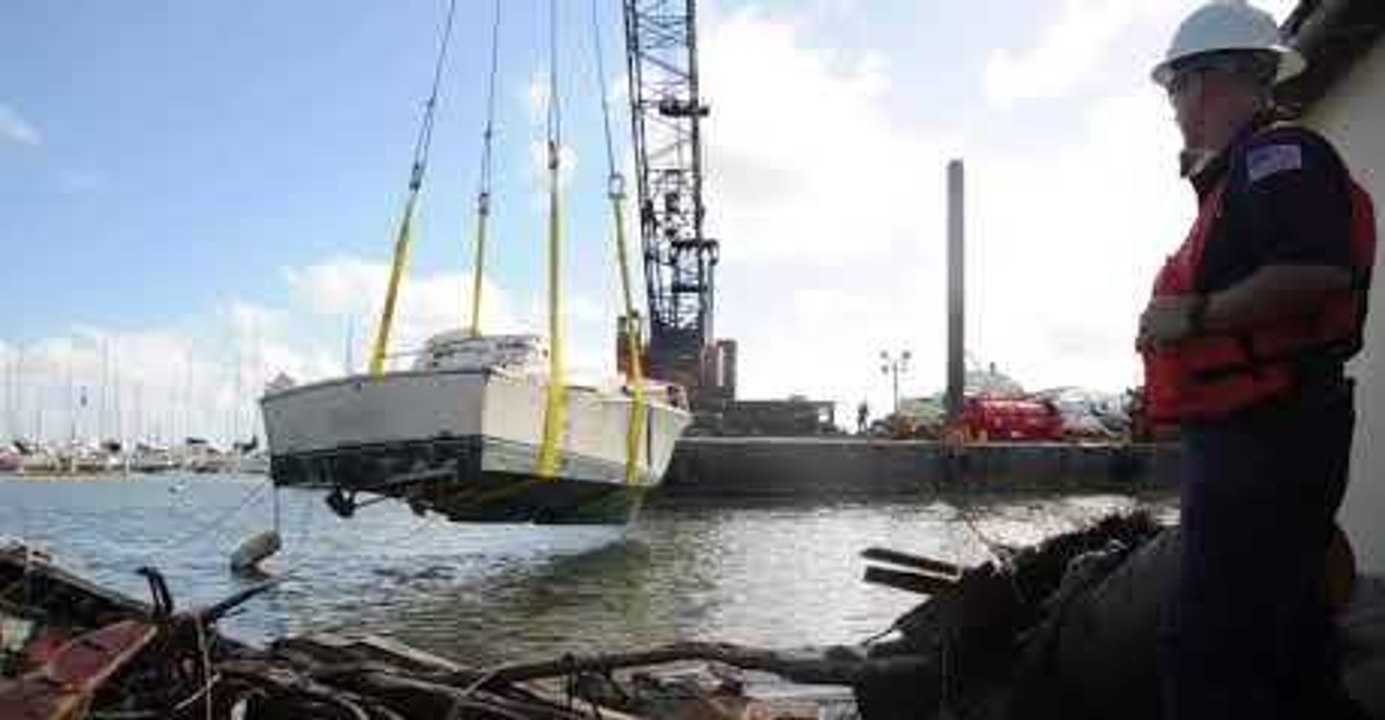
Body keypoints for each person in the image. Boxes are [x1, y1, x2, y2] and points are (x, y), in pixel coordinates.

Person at [1139, 1, 1376, 718]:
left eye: (1173, 88)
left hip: (1264, 434)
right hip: (1264, 429)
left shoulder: (1279, 156)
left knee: (1210, 648)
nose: (1172, 108)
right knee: (1289, 636)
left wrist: (1195, 315)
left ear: (1210, 80)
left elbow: (1315, 270)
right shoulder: (1241, 173)